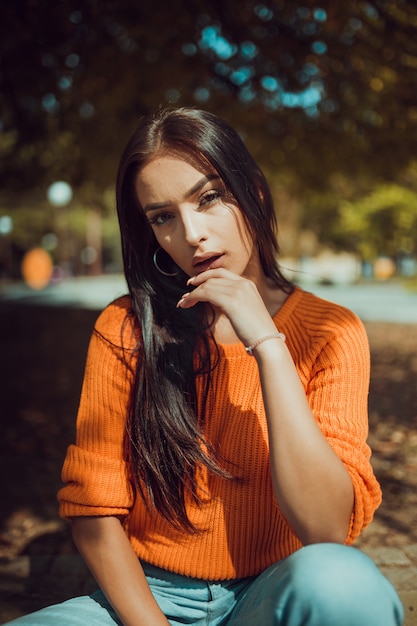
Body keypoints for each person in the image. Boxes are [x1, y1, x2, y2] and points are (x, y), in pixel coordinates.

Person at [6, 107, 404, 626]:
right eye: (162, 216)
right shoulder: (126, 328)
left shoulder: (332, 330)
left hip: (274, 595)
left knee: (344, 583)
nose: (191, 233)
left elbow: (326, 529)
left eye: (209, 197)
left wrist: (266, 340)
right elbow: (94, 510)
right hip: (147, 602)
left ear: (254, 193)